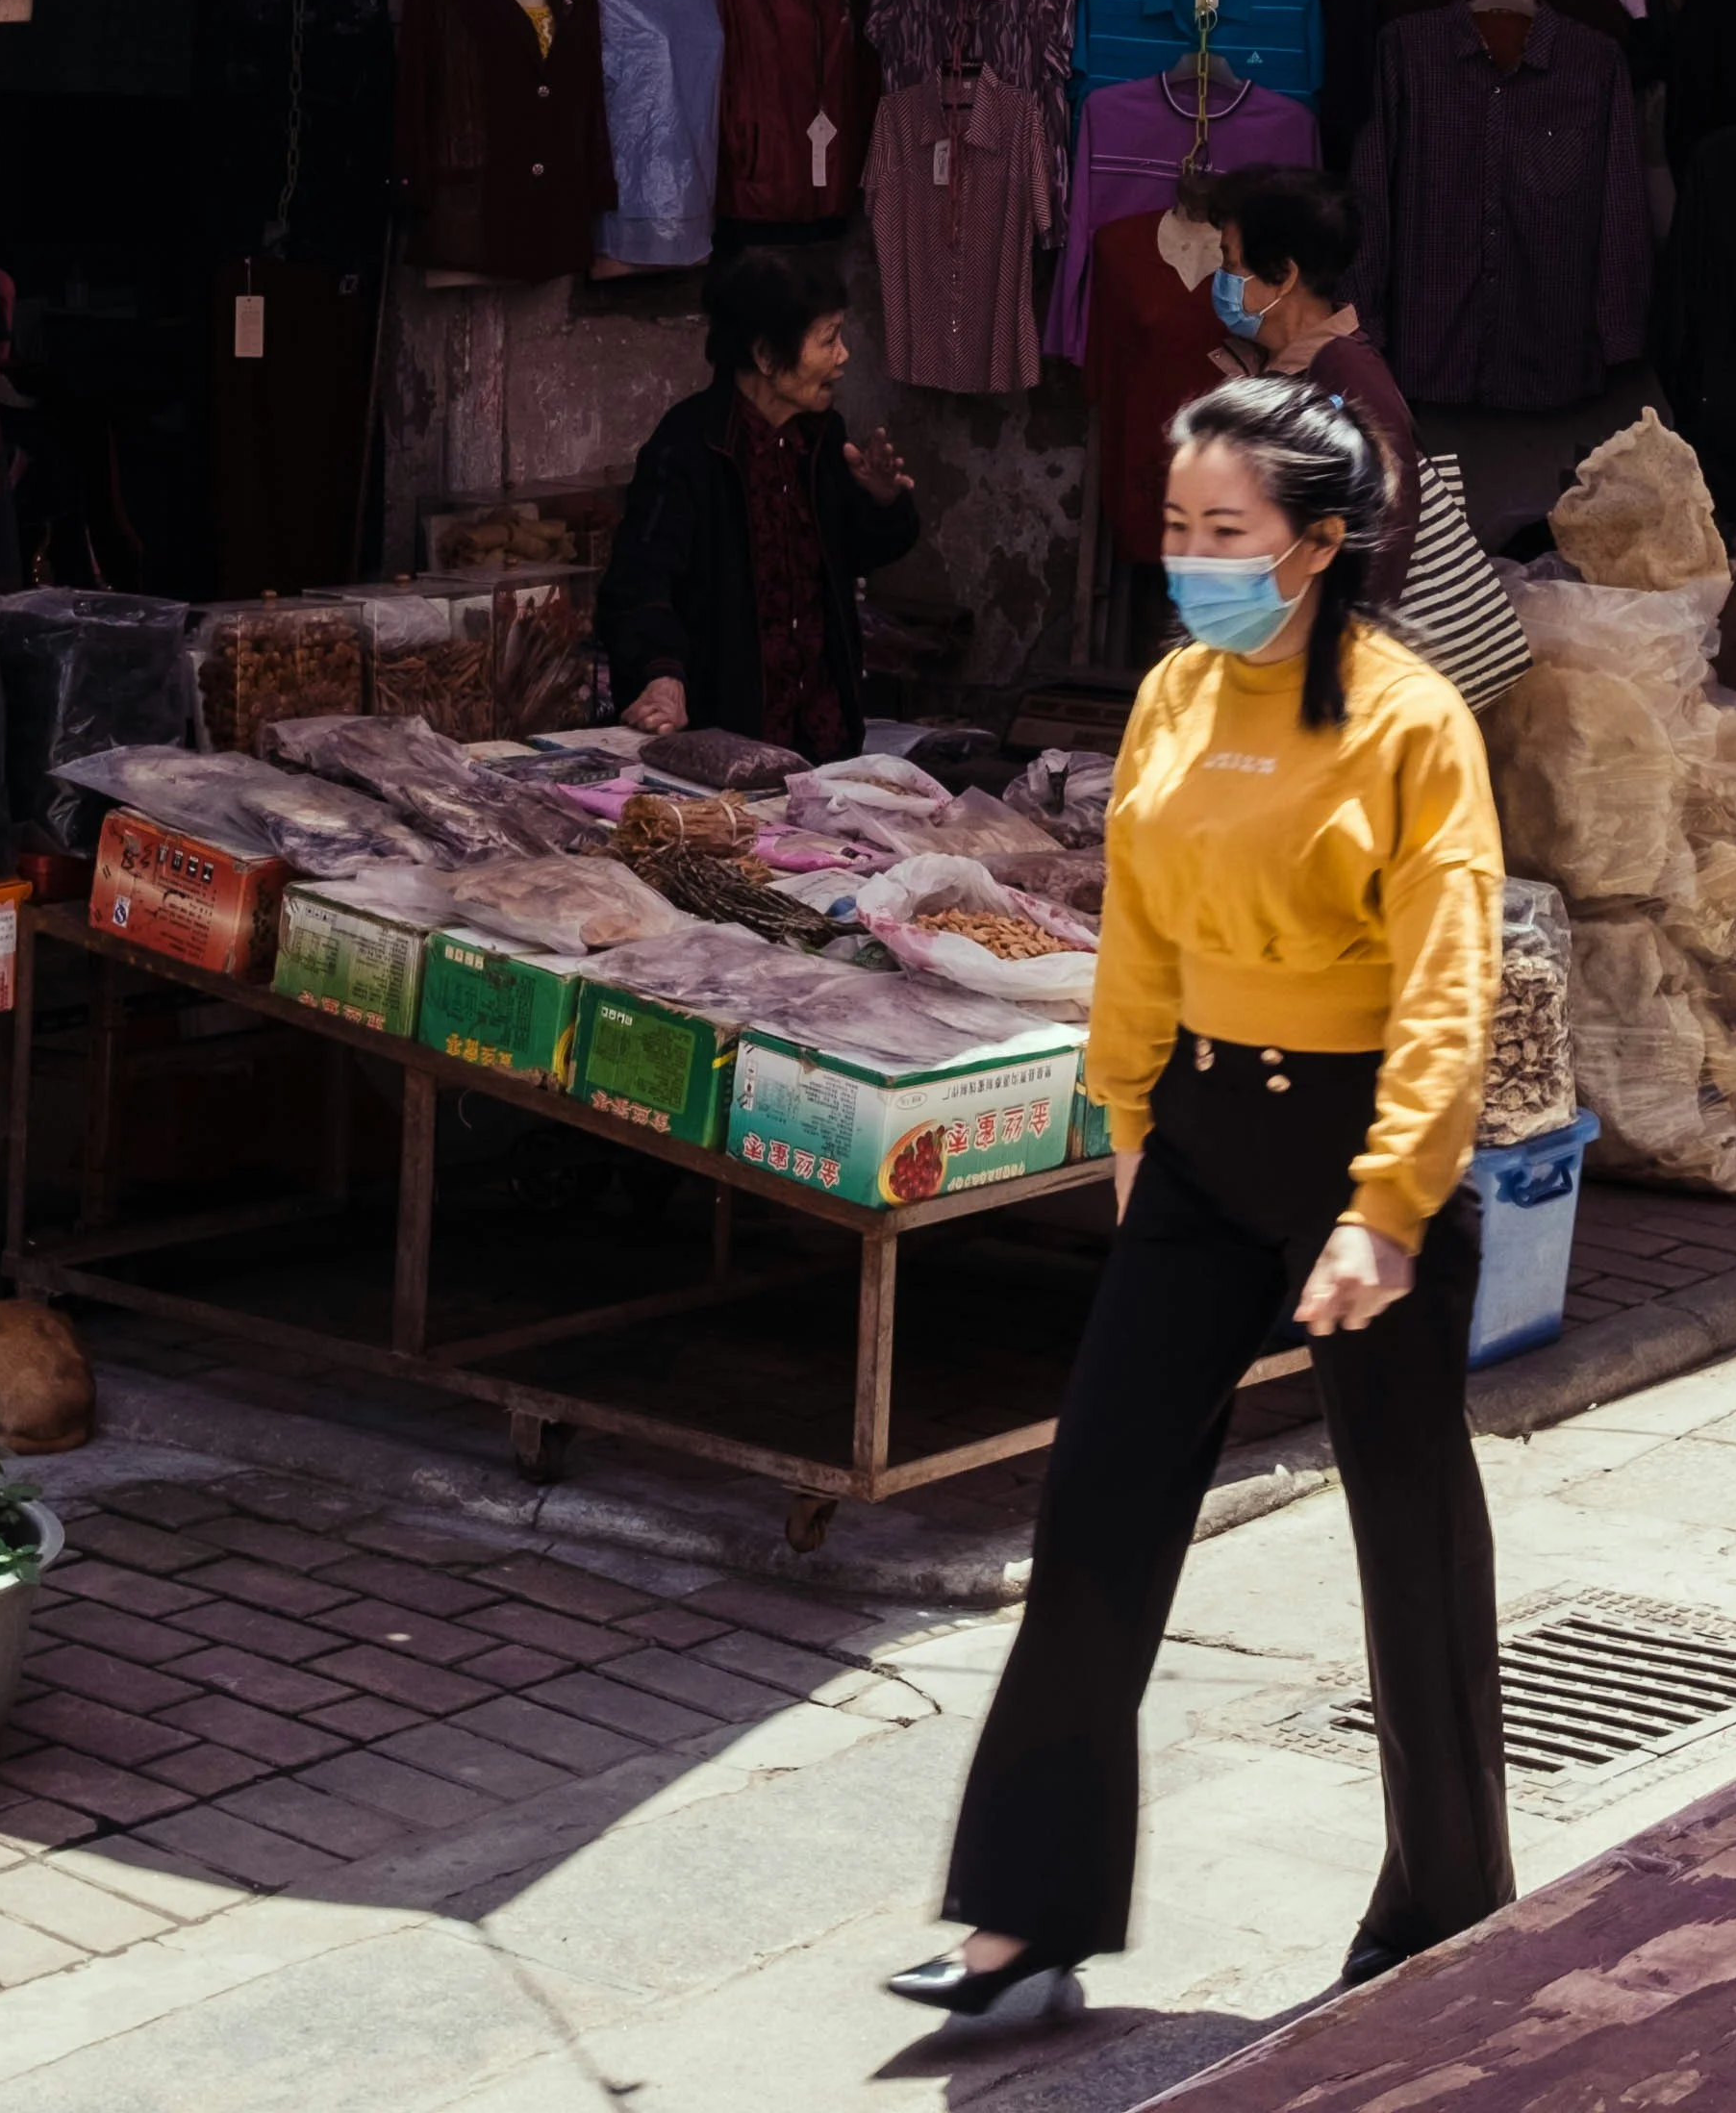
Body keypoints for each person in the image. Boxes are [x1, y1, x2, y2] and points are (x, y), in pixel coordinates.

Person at [903, 378, 1508, 2032]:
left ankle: (1451, 1904)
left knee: (1409, 1530)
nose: (1189, 561)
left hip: (1363, 1156)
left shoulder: (1407, 722)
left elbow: (1452, 984)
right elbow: (1141, 926)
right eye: (1176, 530)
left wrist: (1389, 1205)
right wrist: (1124, 1115)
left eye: (1222, 534)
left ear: (1315, 547)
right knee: (1095, 1507)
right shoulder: (1173, 694)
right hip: (1198, 1148)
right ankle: (1024, 1920)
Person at [596, 248, 918, 753]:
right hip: (729, 746)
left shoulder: (824, 438)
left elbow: (859, 552)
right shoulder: (689, 446)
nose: (844, 356)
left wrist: (881, 502)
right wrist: (661, 674)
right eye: (828, 339)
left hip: (824, 742)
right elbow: (639, 584)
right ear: (767, 356)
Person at [1219, 176, 1424, 604]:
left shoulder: (1344, 371)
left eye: (1231, 264)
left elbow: (1386, 527)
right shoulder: (1280, 367)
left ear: (1283, 276)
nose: (1220, 280)